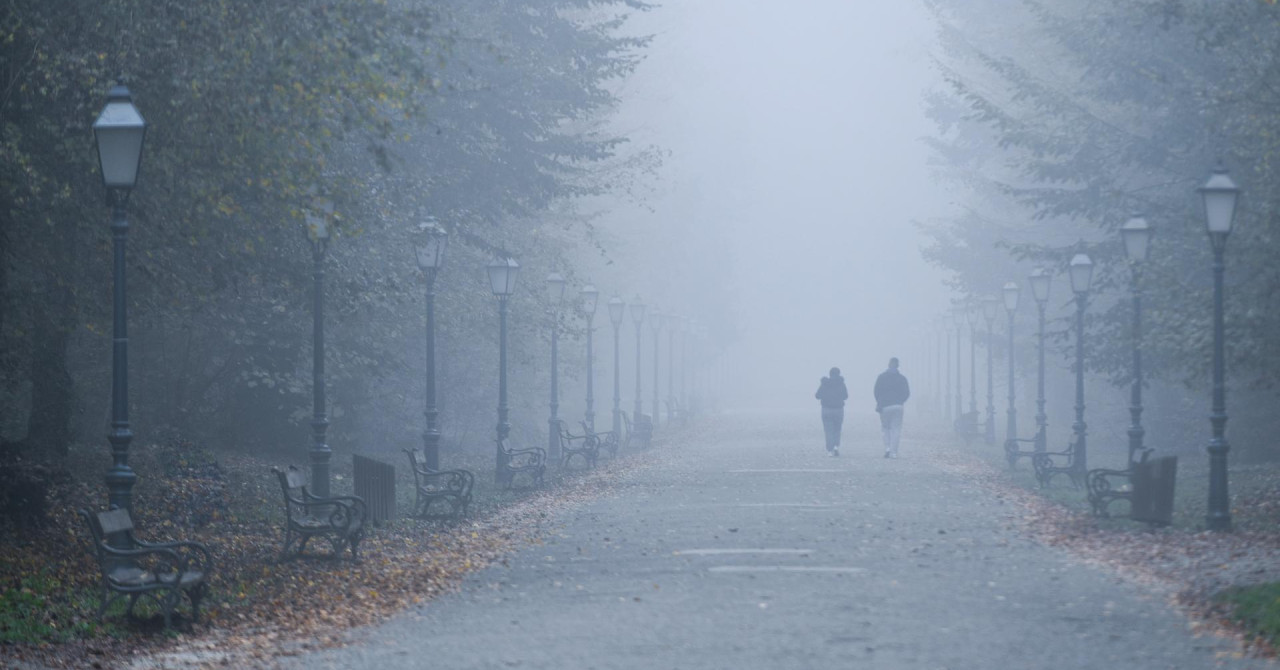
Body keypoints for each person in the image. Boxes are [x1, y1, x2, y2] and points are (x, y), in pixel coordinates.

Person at [874, 357, 911, 458]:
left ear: (888, 365)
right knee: (896, 429)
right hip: (898, 406)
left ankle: (887, 448)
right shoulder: (902, 378)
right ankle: (894, 452)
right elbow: (907, 393)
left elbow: (876, 391)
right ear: (898, 366)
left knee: (885, 428)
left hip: (885, 406)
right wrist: (900, 401)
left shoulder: (881, 377)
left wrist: (880, 401)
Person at [815, 367, 848, 456]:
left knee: (828, 430)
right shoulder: (841, 384)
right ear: (839, 374)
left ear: (830, 374)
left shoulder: (825, 383)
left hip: (826, 409)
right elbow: (845, 396)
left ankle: (830, 450)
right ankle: (836, 447)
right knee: (837, 429)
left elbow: (817, 395)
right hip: (838, 410)